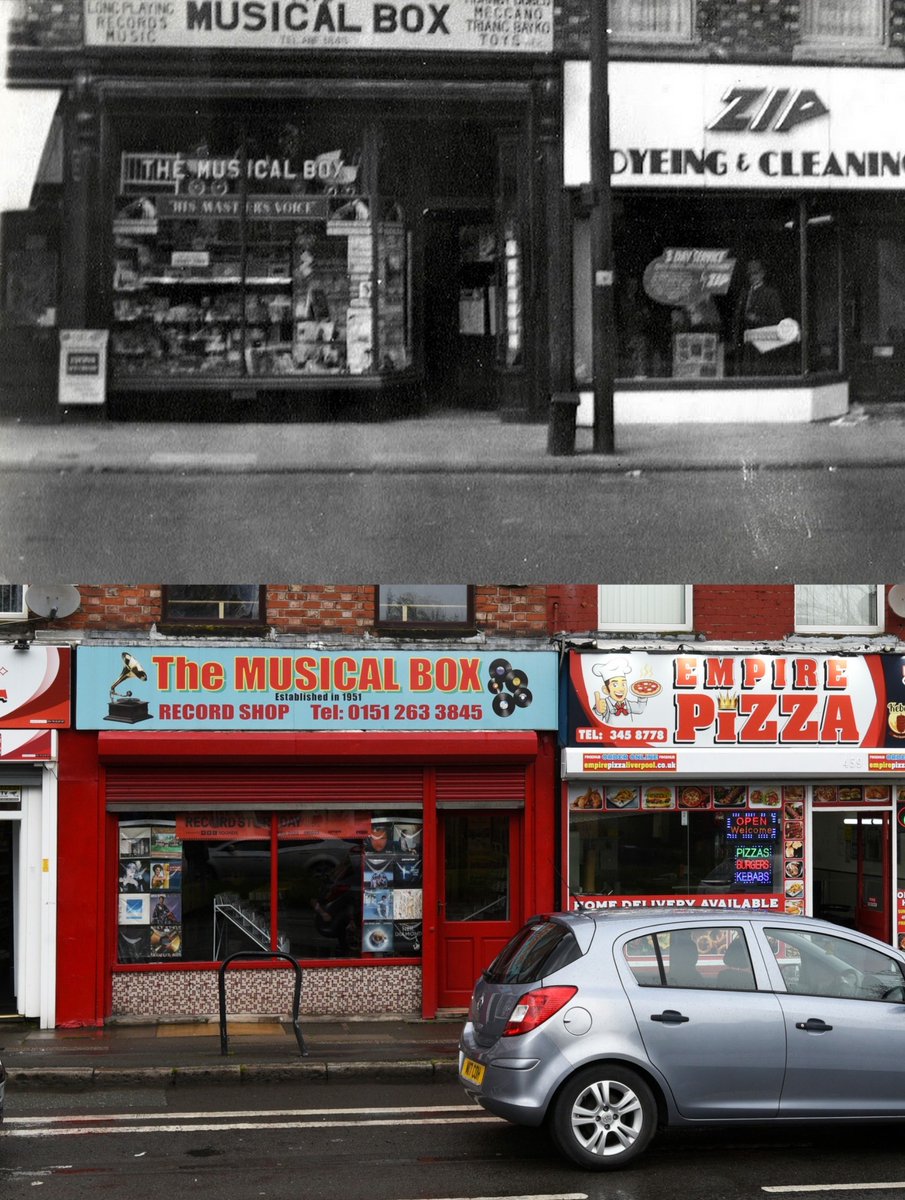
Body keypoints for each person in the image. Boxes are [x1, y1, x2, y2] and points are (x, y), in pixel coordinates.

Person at [733, 258, 785, 375]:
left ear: (762, 273)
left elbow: (779, 319)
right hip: (745, 344)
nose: (752, 277)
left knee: (759, 374)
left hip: (762, 343)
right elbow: (737, 317)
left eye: (755, 273)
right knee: (746, 374)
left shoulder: (770, 293)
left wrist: (758, 319)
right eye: (749, 274)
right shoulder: (744, 293)